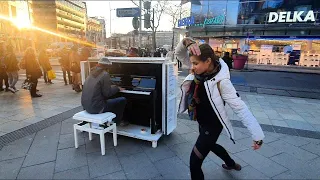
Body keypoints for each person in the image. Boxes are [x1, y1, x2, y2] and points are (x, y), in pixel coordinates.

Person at [176, 39, 264, 180]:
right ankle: (231, 163)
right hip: (202, 121)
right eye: (192, 63)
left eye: (195, 64)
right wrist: (187, 42)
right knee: (211, 145)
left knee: (194, 162)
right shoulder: (199, 70)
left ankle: (230, 163)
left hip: (213, 125)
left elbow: (241, 108)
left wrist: (257, 135)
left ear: (208, 61)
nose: (192, 67)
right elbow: (179, 53)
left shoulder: (222, 82)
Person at [81, 57, 128, 126]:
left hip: (86, 106)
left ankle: (109, 120)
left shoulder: (91, 73)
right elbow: (107, 93)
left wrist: (113, 87)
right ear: (108, 67)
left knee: (110, 100)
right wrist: (117, 88)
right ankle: (117, 122)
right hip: (96, 108)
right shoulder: (105, 74)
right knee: (122, 100)